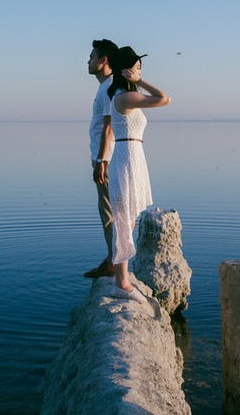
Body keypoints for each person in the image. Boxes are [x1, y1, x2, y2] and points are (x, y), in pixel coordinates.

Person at [106, 46, 171, 302]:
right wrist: (140, 81)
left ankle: (121, 279)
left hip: (133, 155)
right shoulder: (123, 97)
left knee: (129, 219)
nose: (139, 71)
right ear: (126, 71)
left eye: (140, 68)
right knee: (124, 219)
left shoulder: (127, 95)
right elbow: (164, 98)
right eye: (135, 68)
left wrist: (137, 81)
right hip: (125, 158)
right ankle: (120, 283)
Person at [84, 38, 119, 279]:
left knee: (109, 211)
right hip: (105, 157)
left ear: (103, 60)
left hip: (106, 158)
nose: (88, 61)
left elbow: (109, 127)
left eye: (92, 57)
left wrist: (101, 161)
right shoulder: (106, 86)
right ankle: (113, 258)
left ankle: (113, 262)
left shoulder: (109, 86)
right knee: (109, 210)